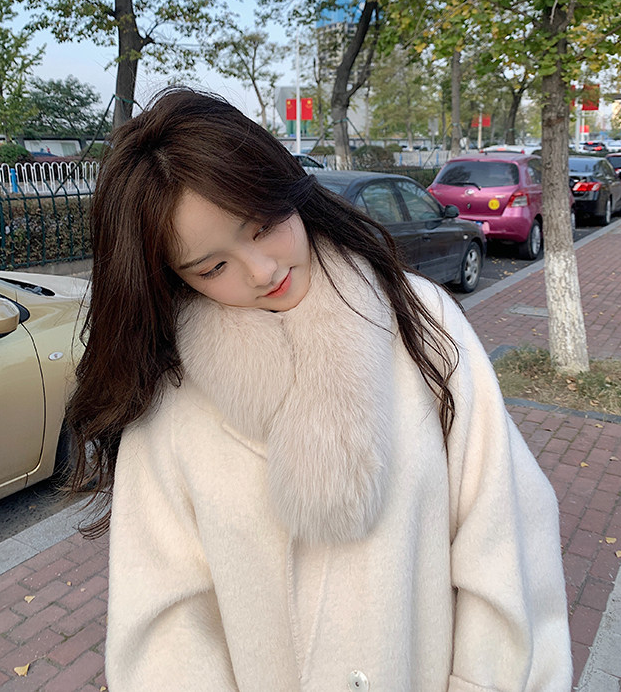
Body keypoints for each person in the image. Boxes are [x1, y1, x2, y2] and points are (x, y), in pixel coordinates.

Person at [67, 87, 572, 691]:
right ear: (172, 278)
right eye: (213, 267)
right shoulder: (171, 400)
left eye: (264, 226)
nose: (262, 271)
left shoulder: (421, 321)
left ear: (288, 190)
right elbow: (166, 632)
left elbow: (504, 537)